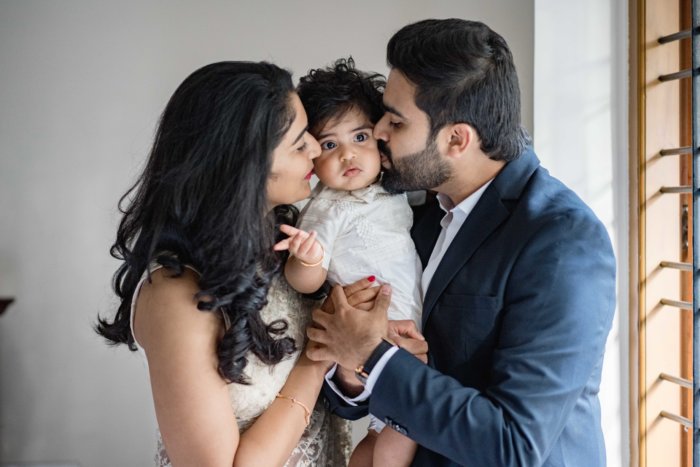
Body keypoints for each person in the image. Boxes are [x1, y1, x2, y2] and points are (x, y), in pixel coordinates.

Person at [306, 18, 617, 467]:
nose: (379, 132)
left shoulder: (563, 242)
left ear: (456, 139)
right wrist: (354, 368)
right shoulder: (411, 207)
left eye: (396, 121)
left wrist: (372, 356)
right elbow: (369, 380)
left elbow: (513, 446)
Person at [95, 61, 367, 466]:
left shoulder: (290, 247)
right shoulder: (176, 294)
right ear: (245, 165)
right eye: (298, 144)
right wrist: (316, 359)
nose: (315, 148)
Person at [273, 58, 422, 467]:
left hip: (411, 328)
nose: (348, 154)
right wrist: (308, 260)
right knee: (399, 435)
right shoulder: (326, 209)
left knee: (385, 433)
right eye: (329, 145)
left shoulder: (395, 189)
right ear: (311, 156)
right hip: (369, 336)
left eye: (360, 137)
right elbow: (304, 282)